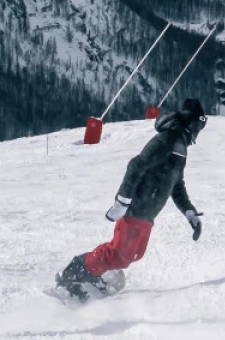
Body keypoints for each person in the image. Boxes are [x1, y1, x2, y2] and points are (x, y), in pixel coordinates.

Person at [57, 98, 206, 299]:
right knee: (119, 254)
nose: (199, 131)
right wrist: (122, 202)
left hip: (148, 212)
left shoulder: (180, 148)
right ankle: (73, 273)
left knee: (134, 254)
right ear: (191, 123)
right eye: (199, 125)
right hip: (136, 206)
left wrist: (190, 212)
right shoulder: (167, 140)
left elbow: (176, 185)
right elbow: (136, 165)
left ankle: (95, 273)